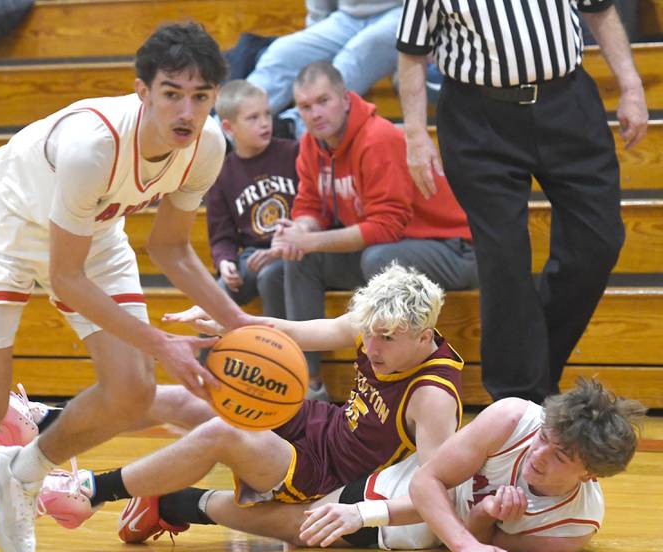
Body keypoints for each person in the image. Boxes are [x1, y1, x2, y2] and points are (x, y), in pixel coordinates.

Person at [0, 22, 259, 552]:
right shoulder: (91, 146)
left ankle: (22, 471)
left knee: (132, 390)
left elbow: (172, 248)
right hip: (2, 232)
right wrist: (164, 343)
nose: (186, 110)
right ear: (142, 92)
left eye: (200, 97)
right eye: (172, 93)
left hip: (91, 234)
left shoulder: (206, 147)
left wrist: (243, 328)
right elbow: (66, 277)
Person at [36, 263, 465, 531]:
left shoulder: (433, 397)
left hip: (323, 473)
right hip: (316, 422)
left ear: (424, 336)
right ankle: (48, 423)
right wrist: (228, 325)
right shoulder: (379, 321)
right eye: (368, 335)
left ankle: (91, 491)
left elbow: (434, 491)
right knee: (198, 396)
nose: (371, 348)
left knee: (224, 432)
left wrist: (363, 514)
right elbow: (295, 332)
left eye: (385, 340)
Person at [119, 378, 643, 552]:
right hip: (398, 486)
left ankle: (171, 502)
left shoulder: (568, 531)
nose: (540, 454)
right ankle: (156, 495)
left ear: (592, 474)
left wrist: (481, 521)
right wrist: (464, 537)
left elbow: (480, 542)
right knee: (299, 522)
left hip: (416, 534)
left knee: (299, 528)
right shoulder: (514, 418)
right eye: (547, 437)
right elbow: (427, 483)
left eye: (560, 456)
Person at [397, 1, 649, 404]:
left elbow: (599, 11)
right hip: (478, 119)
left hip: (567, 102)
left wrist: (632, 86)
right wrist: (415, 134)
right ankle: (518, 400)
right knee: (504, 260)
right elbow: (411, 52)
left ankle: (539, 370)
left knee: (599, 242)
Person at [273, 60, 476, 399]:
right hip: (390, 250)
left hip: (452, 249)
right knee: (300, 260)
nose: (315, 113)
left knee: (378, 258)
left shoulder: (378, 138)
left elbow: (386, 227)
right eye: (306, 106)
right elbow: (309, 206)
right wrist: (296, 232)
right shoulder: (311, 145)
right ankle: (310, 385)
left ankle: (384, 383)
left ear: (346, 98)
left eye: (323, 101)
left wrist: (309, 240)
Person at [207, 80, 299, 317]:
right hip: (254, 255)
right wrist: (225, 262)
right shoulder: (222, 174)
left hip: (294, 249)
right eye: (253, 118)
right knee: (215, 295)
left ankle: (278, 353)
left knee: (272, 276)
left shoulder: (293, 153)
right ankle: (202, 356)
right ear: (228, 128)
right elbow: (221, 236)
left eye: (267, 114)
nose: (265, 123)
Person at [247, 0, 405, 139]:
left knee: (353, 57)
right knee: (282, 52)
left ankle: (293, 126)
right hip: (346, 18)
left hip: (404, 15)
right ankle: (235, 123)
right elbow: (319, 11)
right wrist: (316, 34)